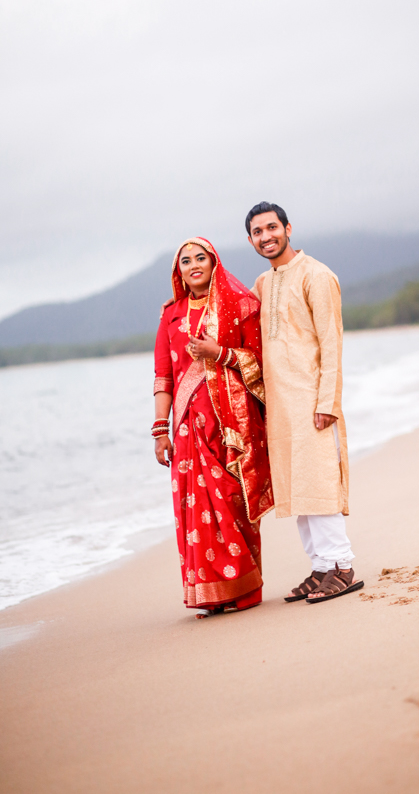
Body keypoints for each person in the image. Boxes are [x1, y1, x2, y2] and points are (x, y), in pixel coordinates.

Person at [246, 202, 363, 603]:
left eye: (272, 227)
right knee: (298, 489)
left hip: (314, 401)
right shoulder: (263, 283)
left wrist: (327, 400)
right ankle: (321, 567)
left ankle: (343, 567)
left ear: (288, 228)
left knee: (320, 484)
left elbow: (332, 342)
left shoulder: (317, 274)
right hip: (280, 407)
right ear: (250, 240)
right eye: (258, 232)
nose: (266, 237)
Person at [153, 237, 273, 617]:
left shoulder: (239, 305)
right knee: (195, 509)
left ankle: (243, 589)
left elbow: (257, 360)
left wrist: (216, 353)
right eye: (185, 261)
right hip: (188, 429)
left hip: (230, 423)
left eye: (200, 258)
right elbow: (163, 377)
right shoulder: (170, 316)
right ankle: (209, 593)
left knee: (231, 500)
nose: (193, 266)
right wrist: (160, 430)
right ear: (179, 272)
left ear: (213, 262)